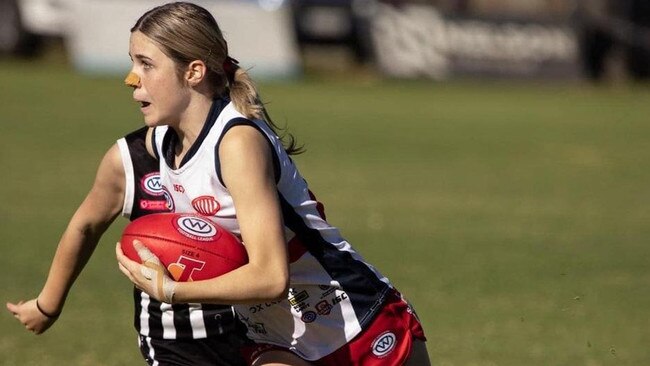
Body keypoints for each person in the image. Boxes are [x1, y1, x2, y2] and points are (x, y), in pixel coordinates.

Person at [115, 2, 430, 366]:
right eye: (132, 62)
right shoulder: (162, 140)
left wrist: (172, 291)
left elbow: (270, 277)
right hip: (276, 339)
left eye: (146, 64)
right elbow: (111, 174)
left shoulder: (236, 144)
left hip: (356, 327)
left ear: (194, 72)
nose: (131, 77)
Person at [6, 125, 252, 365]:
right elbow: (86, 226)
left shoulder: (240, 145)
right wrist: (47, 305)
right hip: (173, 337)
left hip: (254, 325)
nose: (135, 87)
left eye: (144, 81)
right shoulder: (129, 159)